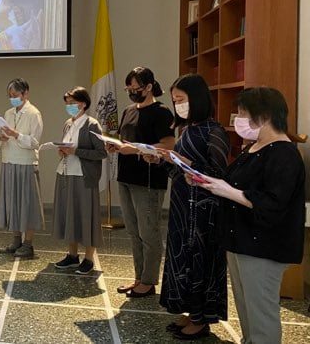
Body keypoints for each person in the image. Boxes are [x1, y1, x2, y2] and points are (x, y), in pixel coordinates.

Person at [193, 87, 305, 344]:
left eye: (243, 113)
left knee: (261, 315)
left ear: (264, 115)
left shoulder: (284, 153)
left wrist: (227, 191)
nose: (238, 119)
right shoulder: (254, 147)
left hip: (263, 246)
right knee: (247, 310)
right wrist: (206, 181)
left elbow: (272, 203)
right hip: (240, 241)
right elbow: (232, 183)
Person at [144, 74, 229, 339]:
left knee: (199, 260)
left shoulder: (214, 131)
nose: (177, 105)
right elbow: (179, 171)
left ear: (197, 98)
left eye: (181, 100)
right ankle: (189, 310)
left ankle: (201, 318)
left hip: (203, 211)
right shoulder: (187, 129)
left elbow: (220, 173)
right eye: (174, 100)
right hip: (183, 206)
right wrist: (160, 159)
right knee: (182, 257)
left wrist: (190, 165)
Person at [107, 67, 174, 298]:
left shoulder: (161, 112)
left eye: (136, 88)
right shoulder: (128, 110)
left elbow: (168, 144)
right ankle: (138, 277)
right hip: (126, 176)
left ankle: (149, 280)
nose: (132, 92)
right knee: (133, 231)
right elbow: (125, 139)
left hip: (148, 180)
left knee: (149, 231)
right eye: (129, 89)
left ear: (148, 87)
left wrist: (131, 149)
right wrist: (114, 145)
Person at [52, 87, 107, 275]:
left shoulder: (92, 124)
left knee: (86, 215)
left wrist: (76, 152)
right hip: (66, 173)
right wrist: (62, 151)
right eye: (67, 103)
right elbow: (66, 145)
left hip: (84, 177)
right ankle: (72, 255)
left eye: (73, 103)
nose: (69, 106)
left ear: (83, 103)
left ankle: (89, 258)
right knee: (70, 214)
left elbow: (101, 152)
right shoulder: (68, 123)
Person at [0, 78, 44, 258]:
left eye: (15, 95)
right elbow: (3, 137)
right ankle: (15, 240)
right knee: (12, 202)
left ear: (25, 94)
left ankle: (28, 243)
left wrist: (16, 134)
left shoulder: (34, 113)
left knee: (27, 202)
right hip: (9, 161)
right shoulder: (8, 113)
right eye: (10, 96)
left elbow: (34, 142)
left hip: (25, 163)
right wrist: (1, 139)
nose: (12, 99)